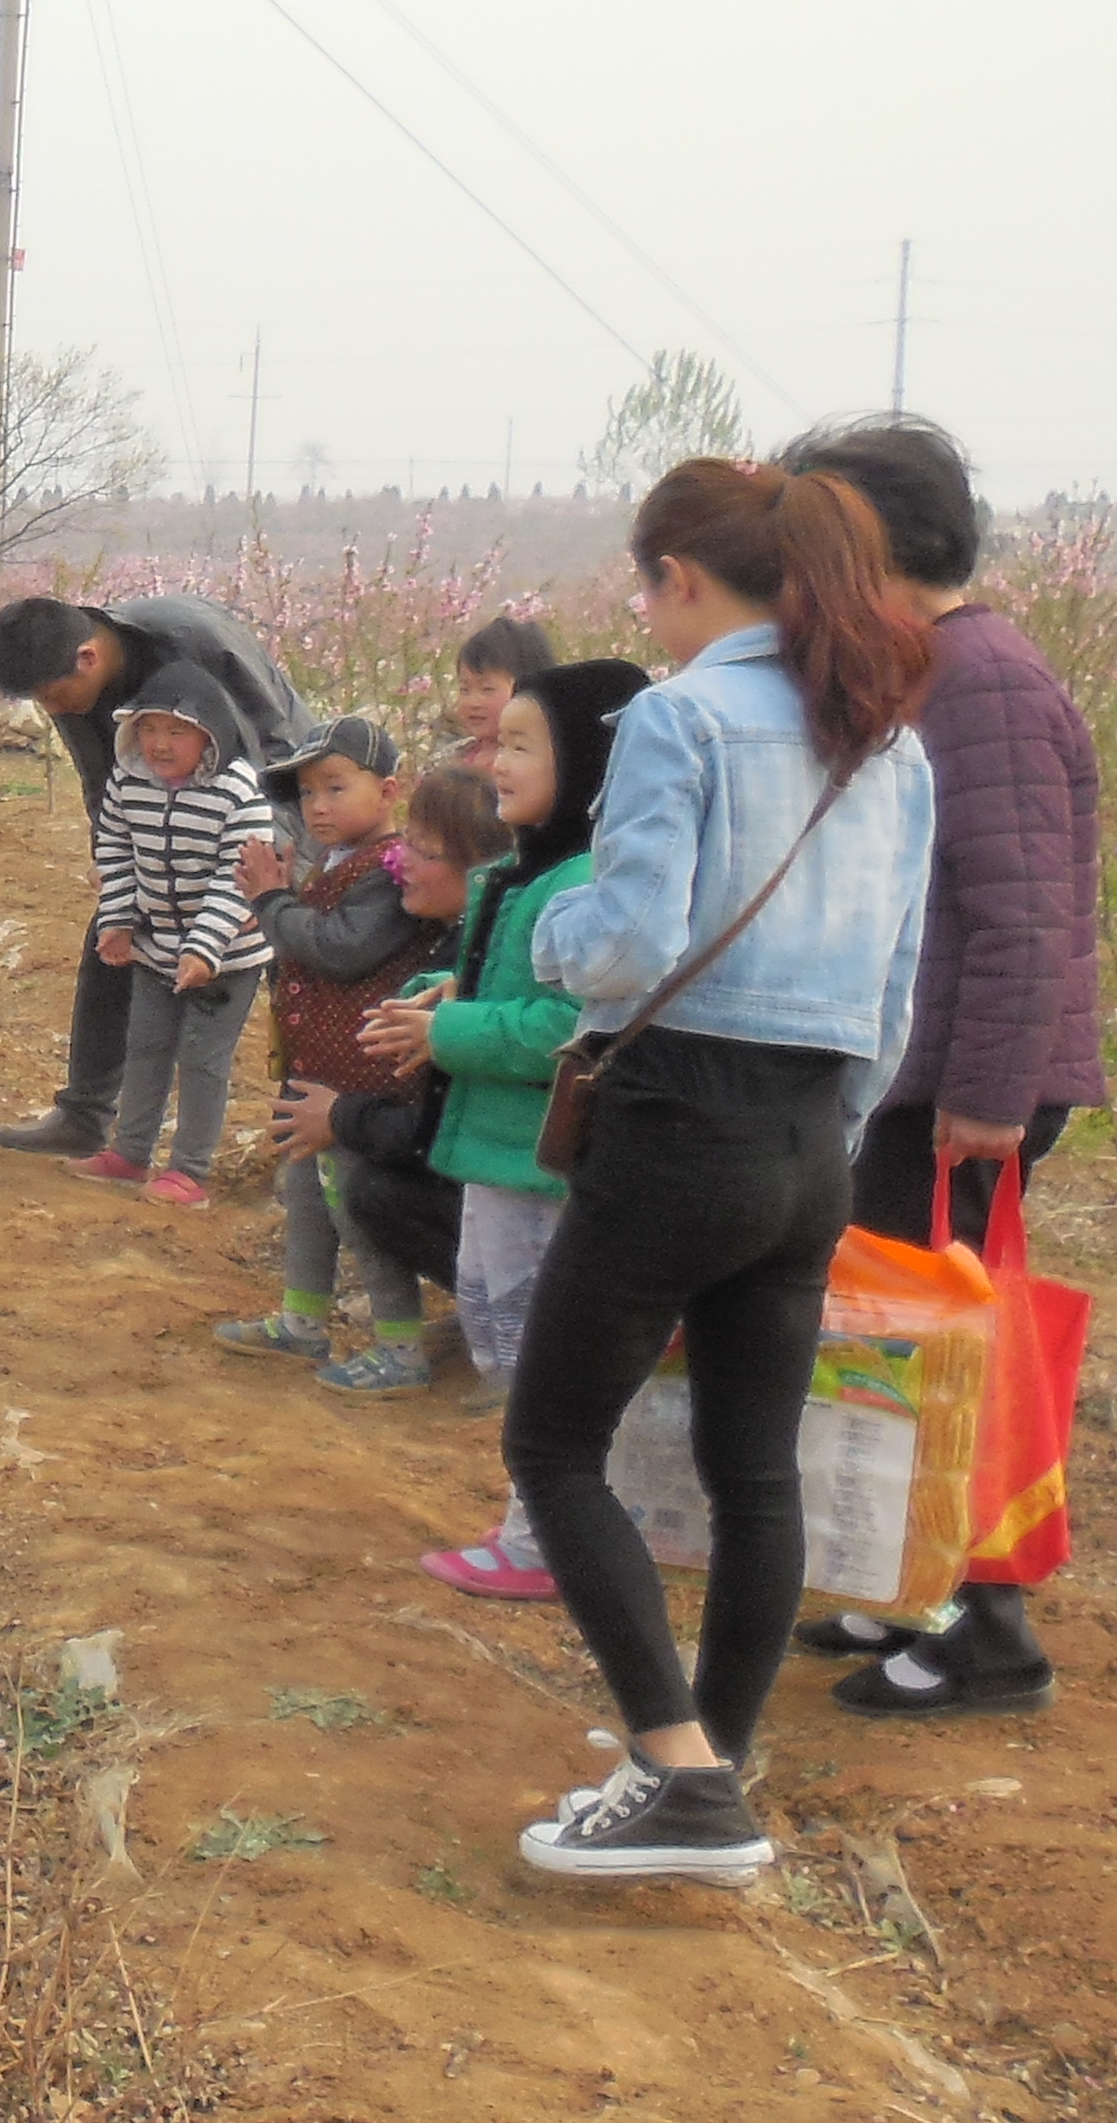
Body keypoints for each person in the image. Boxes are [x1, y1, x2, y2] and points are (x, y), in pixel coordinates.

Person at [505, 462, 938, 1884]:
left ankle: (680, 1775)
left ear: (683, 578)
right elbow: (893, 986)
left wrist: (552, 947)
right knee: (755, 1466)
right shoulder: (886, 738)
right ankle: (712, 1761)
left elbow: (625, 950)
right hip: (813, 1133)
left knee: (555, 1446)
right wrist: (835, 1131)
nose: (647, 612)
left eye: (647, 586)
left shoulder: (681, 718)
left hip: (684, 1114)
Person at [776, 414, 1098, 1719]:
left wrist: (986, 1098)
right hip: (924, 1082)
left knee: (944, 1349)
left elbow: (1024, 914)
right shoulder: (932, 669)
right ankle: (914, 1584)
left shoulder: (989, 683)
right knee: (891, 1342)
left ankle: (992, 1640)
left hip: (962, 1093)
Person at [371, 658, 649, 1597]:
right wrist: (441, 998)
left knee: (537, 1360)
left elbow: (565, 1029)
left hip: (539, 1163)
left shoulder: (580, 884)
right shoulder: (523, 871)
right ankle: (550, 1525)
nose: (494, 763)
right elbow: (510, 989)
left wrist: (448, 1030)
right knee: (501, 1340)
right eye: (498, 743)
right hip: (497, 1154)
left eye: (522, 746)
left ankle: (546, 1542)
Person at [0, 590, 311, 1158]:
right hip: (165, 824)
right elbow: (98, 781)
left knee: (296, 952)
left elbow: (274, 740)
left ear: (87, 658)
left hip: (271, 801)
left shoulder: (194, 640)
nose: (54, 710)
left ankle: (300, 1141)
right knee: (115, 933)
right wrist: (115, 870)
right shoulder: (74, 688)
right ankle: (84, 1114)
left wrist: (280, 849)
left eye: (55, 697)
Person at [211, 717, 445, 1384]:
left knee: (353, 1204)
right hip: (318, 1070)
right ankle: (302, 1321)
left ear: (389, 790)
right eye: (308, 793)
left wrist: (271, 899)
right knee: (307, 1195)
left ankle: (401, 1346)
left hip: (361, 1081)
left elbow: (339, 951)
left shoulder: (391, 870)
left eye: (337, 787)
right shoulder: (338, 863)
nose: (318, 806)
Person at [274, 766, 509, 1363]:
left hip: (501, 1181)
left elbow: (435, 1126)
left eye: (421, 851)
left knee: (370, 1192)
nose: (397, 861)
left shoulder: (484, 968)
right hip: (470, 1168)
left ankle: (486, 1333)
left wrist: (346, 1116)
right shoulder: (454, 946)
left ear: (477, 869)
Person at [69, 667, 274, 1205]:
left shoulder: (238, 792)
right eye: (149, 729)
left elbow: (239, 879)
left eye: (176, 732)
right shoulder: (127, 782)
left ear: (210, 735)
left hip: (228, 955)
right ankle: (131, 1153)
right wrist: (117, 919)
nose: (159, 744)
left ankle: (190, 1171)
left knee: (203, 1059)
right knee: (146, 1046)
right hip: (156, 946)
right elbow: (114, 850)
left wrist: (205, 949)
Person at [450, 613, 559, 764]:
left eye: (487, 689)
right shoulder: (454, 760)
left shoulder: (546, 764)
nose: (473, 702)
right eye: (465, 689)